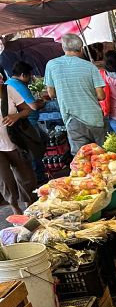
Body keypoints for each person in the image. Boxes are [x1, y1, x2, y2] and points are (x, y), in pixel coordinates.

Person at [43, 33, 107, 153]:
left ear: (63, 48)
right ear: (81, 48)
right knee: (102, 156)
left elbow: (51, 94)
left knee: (82, 160)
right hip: (94, 117)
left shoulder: (52, 65)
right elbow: (101, 96)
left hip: (72, 119)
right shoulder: (90, 66)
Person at [0, 76, 38, 213]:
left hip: (15, 141)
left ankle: (30, 207)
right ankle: (15, 208)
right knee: (4, 180)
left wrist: (15, 116)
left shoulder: (7, 90)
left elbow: (27, 109)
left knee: (25, 177)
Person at [6, 62, 47, 180]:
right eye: (29, 76)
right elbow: (33, 107)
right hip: (28, 124)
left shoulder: (9, 83)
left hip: (22, 124)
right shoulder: (19, 86)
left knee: (43, 140)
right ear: (23, 75)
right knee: (35, 149)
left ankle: (39, 174)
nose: (30, 79)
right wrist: (42, 102)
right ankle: (39, 177)